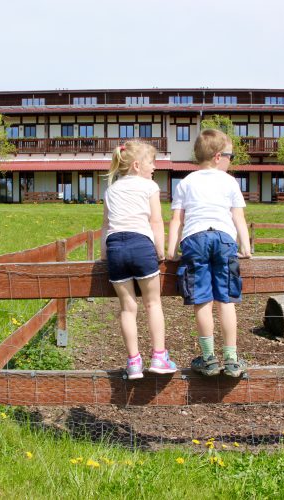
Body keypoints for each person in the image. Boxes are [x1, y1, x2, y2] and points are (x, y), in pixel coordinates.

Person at [167, 129, 252, 377]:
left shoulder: (186, 182)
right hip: (224, 239)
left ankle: (208, 358)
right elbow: (238, 216)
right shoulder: (229, 181)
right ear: (217, 156)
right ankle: (231, 358)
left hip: (194, 239)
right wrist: (245, 246)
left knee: (202, 299)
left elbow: (176, 220)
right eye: (230, 156)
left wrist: (171, 250)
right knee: (225, 299)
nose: (230, 160)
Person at [101, 141, 177, 380]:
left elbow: (105, 225)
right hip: (141, 245)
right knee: (153, 303)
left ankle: (134, 362)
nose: (154, 167)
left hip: (115, 248)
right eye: (151, 162)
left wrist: (104, 254)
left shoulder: (110, 190)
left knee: (127, 307)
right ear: (136, 165)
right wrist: (160, 250)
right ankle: (159, 356)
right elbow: (156, 221)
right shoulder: (149, 186)